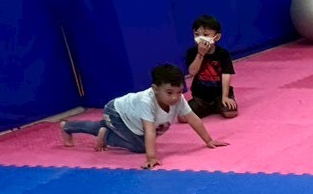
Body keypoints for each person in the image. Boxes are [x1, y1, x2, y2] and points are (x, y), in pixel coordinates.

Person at [60, 64, 229, 169]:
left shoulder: (178, 99)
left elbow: (193, 119)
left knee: (141, 140)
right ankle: (77, 128)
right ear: (155, 89)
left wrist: (208, 140)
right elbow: (149, 131)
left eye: (179, 92)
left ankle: (98, 129)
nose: (175, 98)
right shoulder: (146, 102)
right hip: (116, 113)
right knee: (140, 146)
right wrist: (151, 157)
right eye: (169, 92)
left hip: (132, 120)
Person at [184, 14, 238, 119]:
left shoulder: (223, 54)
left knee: (230, 113)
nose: (200, 38)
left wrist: (225, 96)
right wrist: (201, 54)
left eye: (205, 34)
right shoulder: (192, 52)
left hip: (219, 94)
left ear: (216, 37)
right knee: (183, 117)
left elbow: (226, 75)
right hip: (200, 95)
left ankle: (217, 105)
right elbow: (192, 72)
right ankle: (208, 108)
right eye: (196, 34)